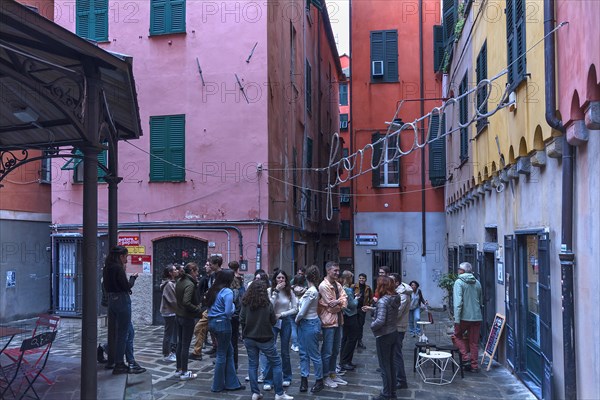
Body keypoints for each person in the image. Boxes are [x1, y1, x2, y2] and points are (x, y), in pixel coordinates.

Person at [241, 280, 294, 400]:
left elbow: (242, 319)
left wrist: (245, 332)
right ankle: (279, 393)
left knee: (253, 365)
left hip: (249, 337)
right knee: (276, 363)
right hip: (265, 338)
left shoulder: (245, 303)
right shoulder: (267, 305)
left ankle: (255, 392)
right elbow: (273, 321)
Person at [102, 246, 142, 375]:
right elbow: (126, 286)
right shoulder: (118, 268)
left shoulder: (107, 268)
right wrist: (133, 278)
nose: (127, 258)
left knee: (128, 332)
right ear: (121, 256)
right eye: (126, 256)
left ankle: (130, 361)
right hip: (122, 300)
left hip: (112, 300)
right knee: (123, 334)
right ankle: (119, 363)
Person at [205, 269, 245, 392]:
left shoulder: (213, 290)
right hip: (223, 324)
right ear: (229, 279)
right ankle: (217, 386)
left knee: (229, 351)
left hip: (212, 323)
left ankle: (232, 383)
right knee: (222, 354)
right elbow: (228, 312)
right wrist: (233, 307)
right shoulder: (227, 292)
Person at [363, 276, 401, 400]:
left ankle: (386, 394)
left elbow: (380, 320)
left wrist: (371, 326)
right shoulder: (395, 298)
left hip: (384, 335)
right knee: (391, 364)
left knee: (385, 367)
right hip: (393, 332)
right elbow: (386, 310)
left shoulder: (383, 300)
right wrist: (372, 309)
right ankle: (392, 392)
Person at [263, 270, 297, 391]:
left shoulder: (289, 292)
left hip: (285, 320)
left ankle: (287, 377)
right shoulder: (269, 291)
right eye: (279, 278)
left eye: (283, 278)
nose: (281, 280)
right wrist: (276, 291)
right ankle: (268, 379)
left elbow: (295, 309)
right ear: (275, 280)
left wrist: (282, 314)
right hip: (272, 322)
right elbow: (269, 306)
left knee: (284, 351)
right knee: (270, 350)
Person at [318, 261, 348, 389]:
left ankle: (332, 373)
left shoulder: (338, 284)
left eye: (338, 270)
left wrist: (339, 303)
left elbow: (345, 299)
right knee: (327, 351)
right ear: (328, 271)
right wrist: (339, 304)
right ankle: (325, 376)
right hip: (328, 321)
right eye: (335, 270)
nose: (337, 272)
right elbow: (330, 307)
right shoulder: (323, 286)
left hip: (339, 321)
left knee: (336, 350)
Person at [295, 265, 324, 393]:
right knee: (308, 354)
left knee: (309, 354)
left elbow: (301, 312)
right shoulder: (312, 290)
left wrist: (296, 321)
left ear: (306, 276)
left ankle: (317, 380)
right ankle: (306, 380)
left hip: (308, 323)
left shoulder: (311, 291)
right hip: (311, 323)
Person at [452, 262, 483, 372]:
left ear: (463, 271)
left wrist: (457, 318)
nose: (458, 270)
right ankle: (474, 365)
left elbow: (458, 302)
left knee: (456, 336)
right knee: (474, 342)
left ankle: (465, 358)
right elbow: (480, 300)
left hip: (463, 317)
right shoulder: (477, 282)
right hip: (477, 317)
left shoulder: (459, 282)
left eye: (459, 269)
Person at [191, 256, 222, 360]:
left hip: (214, 308)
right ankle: (198, 351)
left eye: (209, 264)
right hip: (208, 307)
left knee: (214, 330)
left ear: (216, 264)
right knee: (201, 328)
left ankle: (217, 351)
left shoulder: (221, 276)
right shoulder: (211, 276)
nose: (206, 266)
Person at [175, 262, 202, 380]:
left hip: (179, 315)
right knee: (185, 345)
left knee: (180, 343)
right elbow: (186, 302)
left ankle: (179, 369)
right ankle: (185, 372)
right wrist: (197, 309)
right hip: (187, 317)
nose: (197, 274)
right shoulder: (189, 284)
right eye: (196, 272)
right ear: (192, 271)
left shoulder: (179, 281)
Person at [390, 273, 412, 390]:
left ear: (397, 283)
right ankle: (397, 378)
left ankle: (401, 380)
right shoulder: (398, 292)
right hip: (395, 326)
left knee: (396, 353)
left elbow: (397, 312)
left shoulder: (402, 295)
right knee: (394, 353)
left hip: (398, 327)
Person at [339, 270, 359, 371]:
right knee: (351, 339)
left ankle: (344, 360)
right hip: (350, 316)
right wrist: (357, 298)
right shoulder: (347, 290)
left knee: (345, 338)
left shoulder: (342, 288)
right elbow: (353, 304)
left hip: (346, 316)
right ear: (348, 278)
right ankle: (345, 361)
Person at [160, 264, 179, 362]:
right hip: (170, 312)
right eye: (174, 270)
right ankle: (167, 353)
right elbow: (172, 300)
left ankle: (169, 352)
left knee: (170, 332)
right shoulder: (169, 284)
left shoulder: (170, 283)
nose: (177, 271)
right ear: (170, 273)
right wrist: (180, 307)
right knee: (169, 333)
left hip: (170, 311)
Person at [353, 273, 373, 350]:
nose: (361, 279)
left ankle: (359, 341)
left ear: (365, 279)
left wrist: (368, 305)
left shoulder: (368, 288)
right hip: (355, 308)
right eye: (360, 278)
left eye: (363, 278)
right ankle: (354, 340)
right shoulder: (354, 286)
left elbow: (371, 297)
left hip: (362, 309)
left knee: (361, 325)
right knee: (355, 325)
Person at [229, 262, 243, 370]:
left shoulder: (232, 291)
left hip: (232, 317)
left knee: (231, 341)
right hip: (235, 317)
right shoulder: (237, 288)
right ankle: (234, 363)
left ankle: (232, 363)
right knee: (233, 342)